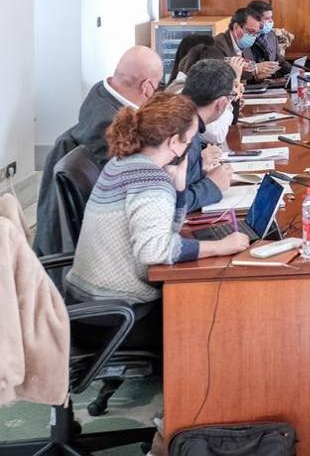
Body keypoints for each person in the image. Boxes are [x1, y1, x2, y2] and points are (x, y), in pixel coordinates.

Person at [64, 93, 249, 349]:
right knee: (218, 315)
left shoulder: (124, 163)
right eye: (191, 139)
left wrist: (180, 186)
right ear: (174, 142)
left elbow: (164, 230)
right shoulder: (151, 182)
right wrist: (220, 247)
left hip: (89, 302)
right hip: (117, 318)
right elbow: (154, 250)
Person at [34, 46, 165, 256]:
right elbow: (134, 188)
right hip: (107, 246)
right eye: (158, 87)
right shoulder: (111, 125)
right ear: (147, 87)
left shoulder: (101, 93)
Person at [178, 59, 238, 214]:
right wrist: (212, 185)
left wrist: (200, 166)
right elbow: (169, 205)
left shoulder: (185, 119)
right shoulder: (182, 134)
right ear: (221, 104)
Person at [166, 45, 245, 146]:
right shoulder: (181, 93)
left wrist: (230, 98)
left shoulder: (185, 86)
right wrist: (230, 93)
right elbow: (217, 134)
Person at [214, 6, 279, 82]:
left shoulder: (246, 46)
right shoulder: (217, 44)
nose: (253, 37)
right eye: (250, 32)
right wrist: (254, 69)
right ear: (236, 27)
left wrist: (257, 77)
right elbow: (220, 77)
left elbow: (247, 79)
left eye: (256, 33)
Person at [245, 0, 292, 77]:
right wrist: (257, 69)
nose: (271, 21)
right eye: (267, 18)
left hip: (272, 81)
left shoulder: (271, 34)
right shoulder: (244, 39)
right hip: (253, 82)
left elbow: (279, 60)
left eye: (271, 17)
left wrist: (293, 72)